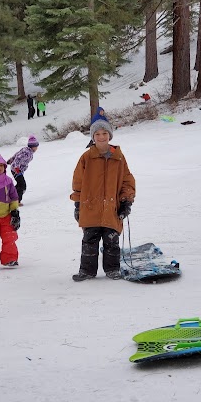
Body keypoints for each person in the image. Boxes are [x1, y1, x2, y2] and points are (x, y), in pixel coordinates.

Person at [70, 118, 136, 281]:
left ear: (110, 135)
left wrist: (126, 201)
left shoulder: (118, 158)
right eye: (97, 134)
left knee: (111, 240)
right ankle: (87, 271)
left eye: (104, 133)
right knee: (89, 241)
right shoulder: (86, 157)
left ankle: (112, 269)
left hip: (112, 207)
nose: (101, 137)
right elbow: (77, 182)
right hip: (90, 206)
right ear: (93, 137)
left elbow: (127, 180)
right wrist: (78, 204)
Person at [7, 135, 39, 205]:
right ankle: (16, 201)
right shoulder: (26, 152)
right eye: (36, 146)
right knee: (22, 185)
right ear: (33, 146)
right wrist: (17, 170)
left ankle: (9, 195)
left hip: (18, 170)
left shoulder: (27, 150)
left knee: (19, 185)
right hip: (16, 170)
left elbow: (16, 155)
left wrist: (10, 160)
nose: (37, 148)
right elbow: (17, 159)